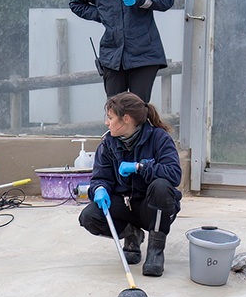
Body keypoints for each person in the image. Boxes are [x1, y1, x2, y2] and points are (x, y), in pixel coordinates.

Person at [78, 92, 181, 277]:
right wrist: (99, 189)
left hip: (151, 208)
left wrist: (140, 167)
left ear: (125, 119)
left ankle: (155, 251)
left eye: (110, 118)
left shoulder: (159, 138)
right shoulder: (108, 144)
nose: (106, 123)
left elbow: (174, 174)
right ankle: (132, 234)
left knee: (161, 186)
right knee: (89, 216)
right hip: (125, 206)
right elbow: (100, 177)